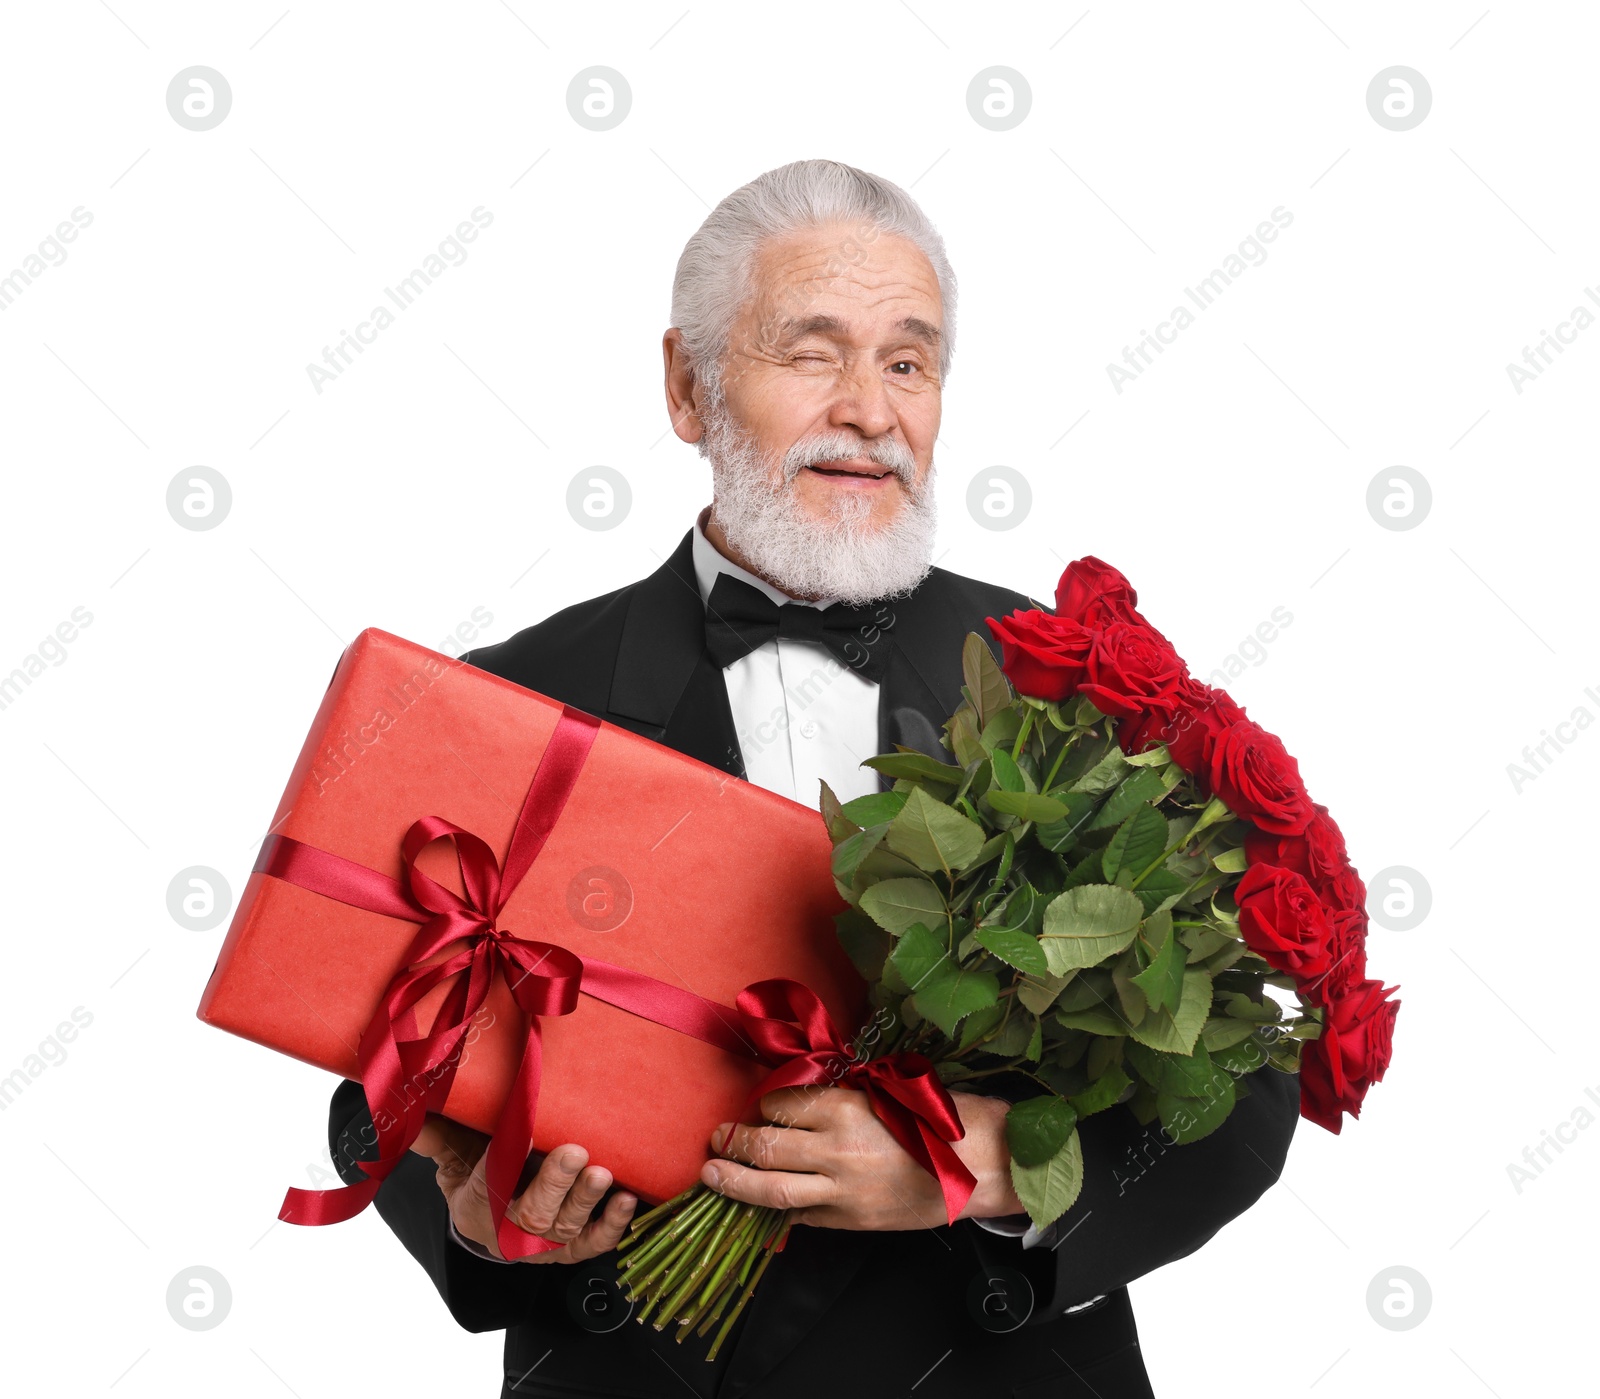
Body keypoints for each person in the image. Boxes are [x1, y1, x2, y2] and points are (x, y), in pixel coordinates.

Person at [330, 158, 1298, 1399]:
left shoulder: (1075, 689)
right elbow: (367, 1080)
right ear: (687, 386)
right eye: (812, 353)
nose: (871, 411)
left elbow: (1241, 1084)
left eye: (908, 361)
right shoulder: (504, 702)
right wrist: (474, 1211)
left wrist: (987, 1162)